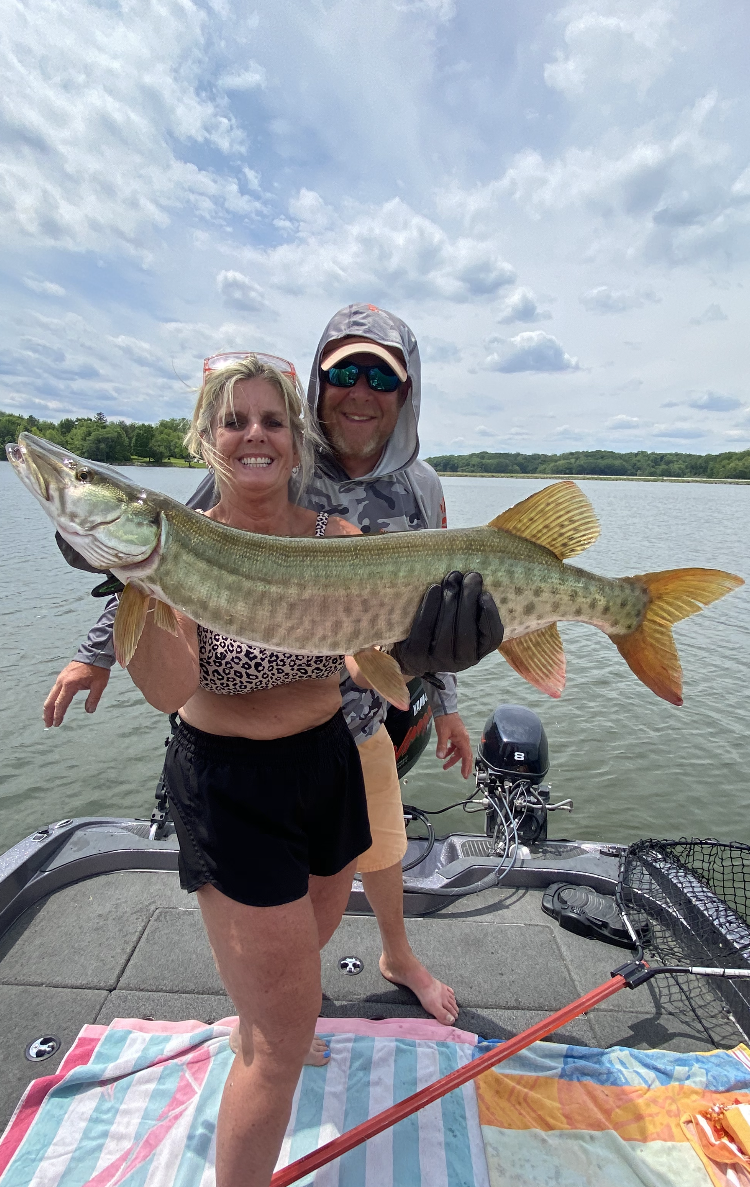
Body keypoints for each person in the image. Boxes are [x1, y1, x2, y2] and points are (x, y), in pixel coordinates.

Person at [45, 305, 504, 1026]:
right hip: (240, 746)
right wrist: (94, 650)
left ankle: (392, 958)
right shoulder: (260, 458)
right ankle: (279, 1005)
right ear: (319, 388)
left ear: (406, 393)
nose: (361, 390)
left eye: (381, 376)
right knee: (283, 951)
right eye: (344, 373)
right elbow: (163, 555)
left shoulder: (421, 489)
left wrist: (442, 696)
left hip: (357, 717)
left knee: (382, 849)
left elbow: (441, 605)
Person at [125, 353, 375, 1186]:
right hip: (229, 786)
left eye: (272, 420)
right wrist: (140, 581)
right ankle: (263, 1041)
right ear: (207, 439)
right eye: (234, 421)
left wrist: (435, 646)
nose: (254, 435)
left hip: (326, 766)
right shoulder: (181, 543)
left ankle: (257, 1017)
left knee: (309, 941)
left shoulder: (337, 540)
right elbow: (168, 689)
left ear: (296, 441)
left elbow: (365, 659)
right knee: (280, 1043)